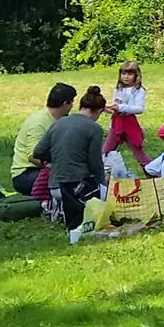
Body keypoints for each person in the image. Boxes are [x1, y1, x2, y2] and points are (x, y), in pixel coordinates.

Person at [33, 86, 109, 244]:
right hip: (76, 188)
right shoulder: (94, 128)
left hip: (54, 186)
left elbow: (38, 151)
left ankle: (58, 209)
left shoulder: (58, 123)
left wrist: (55, 158)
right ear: (98, 111)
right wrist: (103, 186)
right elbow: (95, 163)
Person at [11, 83, 76, 194]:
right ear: (65, 103)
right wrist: (58, 169)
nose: (73, 106)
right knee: (69, 180)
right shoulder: (39, 122)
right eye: (72, 102)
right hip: (26, 173)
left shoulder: (61, 120)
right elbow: (32, 156)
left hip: (43, 169)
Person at [104, 61, 151, 170]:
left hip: (130, 126)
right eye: (123, 74)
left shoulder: (138, 90)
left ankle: (153, 173)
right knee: (105, 152)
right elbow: (115, 108)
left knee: (139, 154)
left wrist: (121, 108)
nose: (126, 77)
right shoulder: (118, 89)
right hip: (116, 125)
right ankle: (105, 175)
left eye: (130, 74)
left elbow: (139, 109)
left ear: (136, 75)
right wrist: (106, 109)